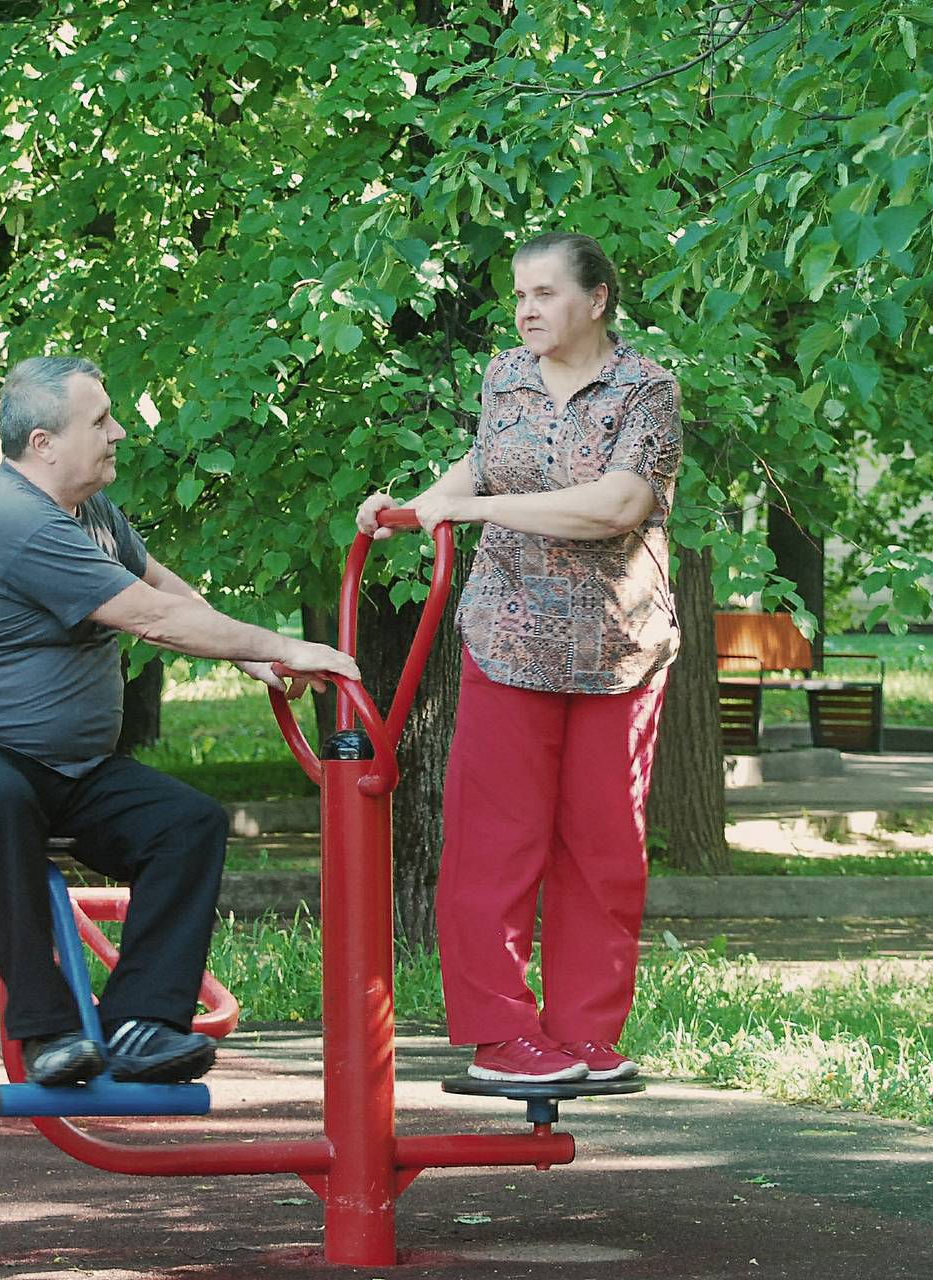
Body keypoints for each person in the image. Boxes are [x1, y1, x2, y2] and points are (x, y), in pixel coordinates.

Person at [0, 356, 358, 1088]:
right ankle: (48, 1033)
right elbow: (150, 619)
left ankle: (141, 1022)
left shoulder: (92, 513)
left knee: (187, 824)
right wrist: (285, 644)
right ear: (43, 443)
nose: (119, 431)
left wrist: (250, 661)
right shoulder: (16, 519)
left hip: (63, 769)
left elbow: (160, 584)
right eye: (100, 421)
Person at [356, 232, 681, 1085]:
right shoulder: (504, 377)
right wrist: (428, 502)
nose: (527, 309)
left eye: (545, 293)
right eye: (519, 295)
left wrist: (477, 514)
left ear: (598, 299)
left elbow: (617, 504)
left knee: (604, 849)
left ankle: (584, 1034)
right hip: (510, 638)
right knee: (495, 844)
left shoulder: (646, 390)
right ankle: (502, 1035)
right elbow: (485, 466)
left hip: (619, 646)